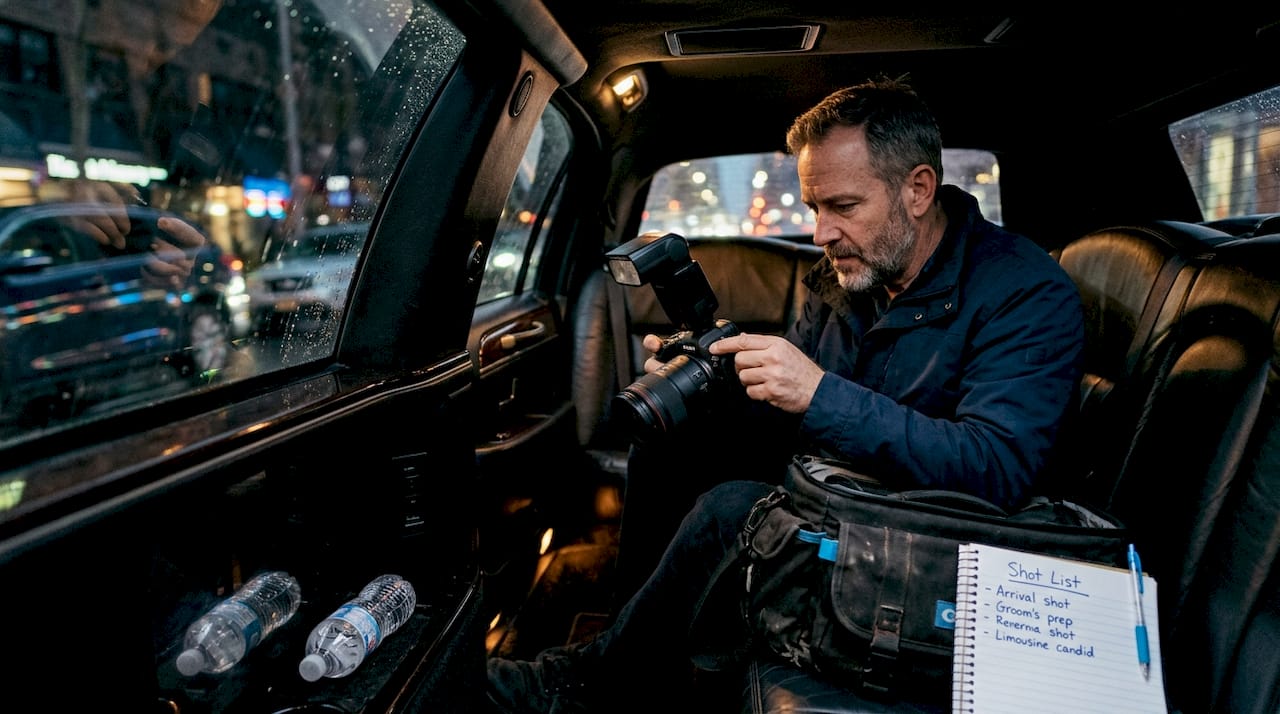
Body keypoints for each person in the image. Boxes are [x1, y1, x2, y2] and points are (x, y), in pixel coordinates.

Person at [485, 76, 1086, 713]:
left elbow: (997, 468)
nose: (821, 233)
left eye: (843, 207)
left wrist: (819, 393)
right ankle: (634, 650)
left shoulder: (1023, 290)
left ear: (917, 190)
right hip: (841, 488)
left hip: (932, 537)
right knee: (674, 437)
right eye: (812, 208)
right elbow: (795, 402)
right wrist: (719, 372)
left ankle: (585, 688)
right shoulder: (850, 275)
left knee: (734, 509)